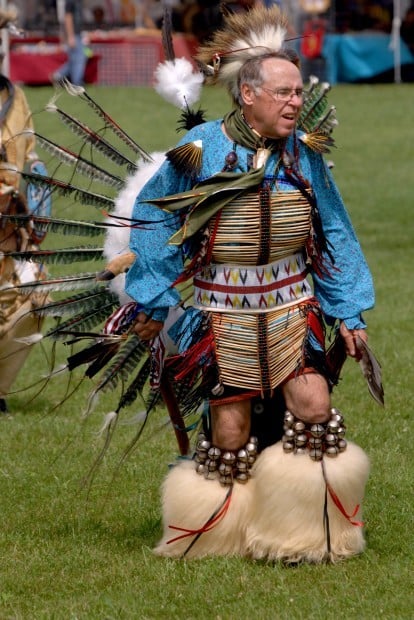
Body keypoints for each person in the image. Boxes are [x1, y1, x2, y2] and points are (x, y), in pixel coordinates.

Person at [0, 9, 50, 413]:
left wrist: (36, 183)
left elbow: (30, 156)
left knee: (38, 297)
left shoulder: (15, 98)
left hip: (11, 230)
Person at [53, 0, 87, 86]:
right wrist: (70, 36)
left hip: (77, 34)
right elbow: (68, 17)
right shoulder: (71, 1)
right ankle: (77, 83)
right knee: (79, 59)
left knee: (75, 59)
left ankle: (58, 75)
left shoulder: (78, 2)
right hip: (74, 34)